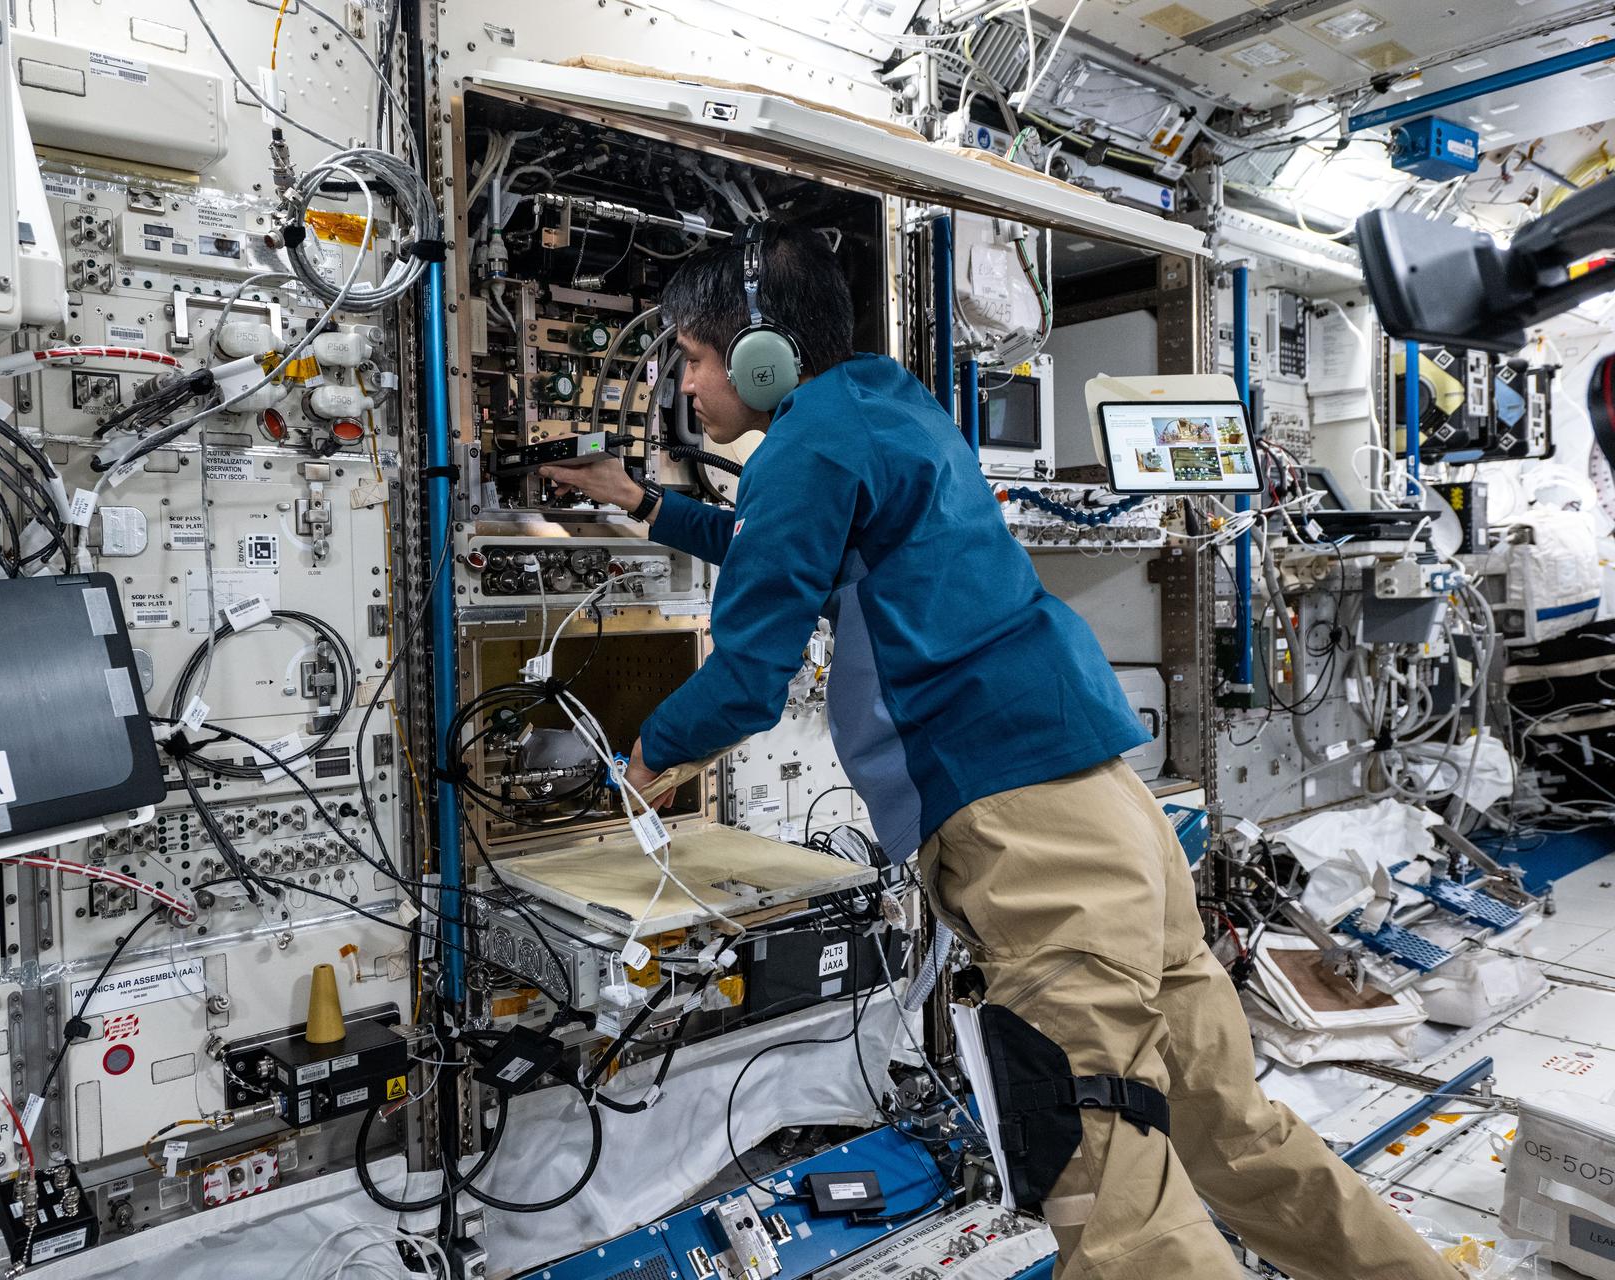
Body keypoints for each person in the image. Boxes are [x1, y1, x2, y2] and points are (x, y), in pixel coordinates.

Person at [541, 223, 1458, 1280]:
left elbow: (748, 678)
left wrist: (642, 757)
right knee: (1237, 1136)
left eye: (692, 358)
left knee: (1118, 1212)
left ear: (759, 355)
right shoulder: (887, 406)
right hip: (1117, 816)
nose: (687, 389)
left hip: (1036, 847)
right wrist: (644, 501)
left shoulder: (805, 444)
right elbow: (783, 544)